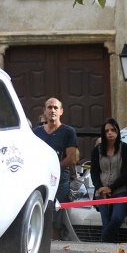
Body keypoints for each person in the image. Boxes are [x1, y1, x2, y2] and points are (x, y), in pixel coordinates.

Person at [33, 98, 77, 239]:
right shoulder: (36, 132)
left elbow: (71, 158)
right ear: (44, 111)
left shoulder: (68, 132)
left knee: (55, 219)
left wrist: (53, 169)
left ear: (61, 111)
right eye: (49, 107)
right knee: (40, 214)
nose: (52, 110)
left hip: (60, 181)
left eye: (55, 108)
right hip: (39, 179)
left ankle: (56, 252)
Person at [90, 118, 127, 243]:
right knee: (106, 221)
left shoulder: (126, 149)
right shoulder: (97, 151)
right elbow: (94, 172)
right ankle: (108, 249)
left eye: (113, 130)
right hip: (101, 191)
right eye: (107, 131)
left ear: (117, 131)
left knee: (116, 218)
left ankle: (103, 241)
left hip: (121, 190)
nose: (110, 133)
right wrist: (100, 188)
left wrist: (111, 188)